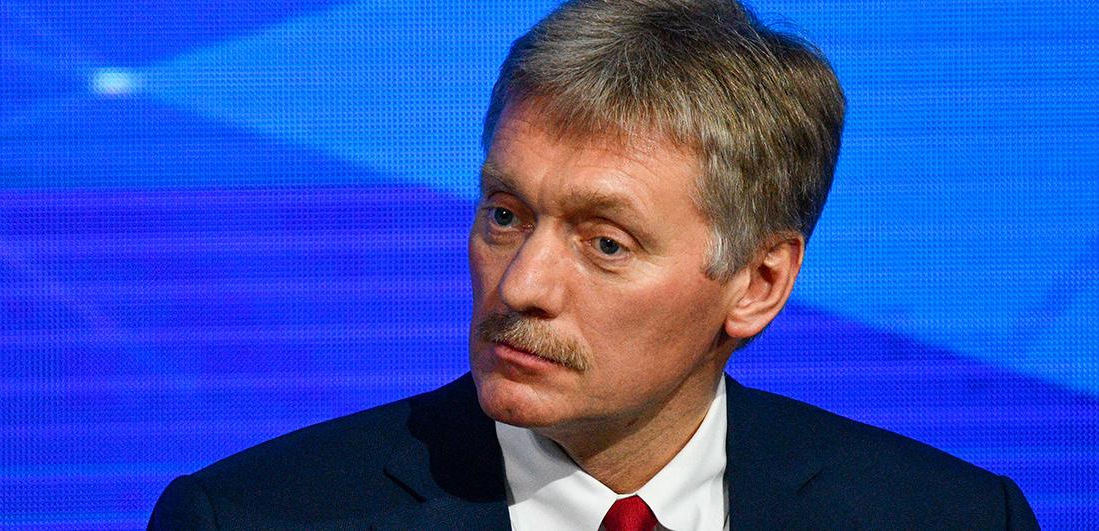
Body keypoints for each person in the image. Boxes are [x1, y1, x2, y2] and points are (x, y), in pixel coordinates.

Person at [150, 0, 1039, 529]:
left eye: (605, 242)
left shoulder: (949, 518)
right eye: (505, 215)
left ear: (758, 283)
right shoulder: (250, 517)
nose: (522, 285)